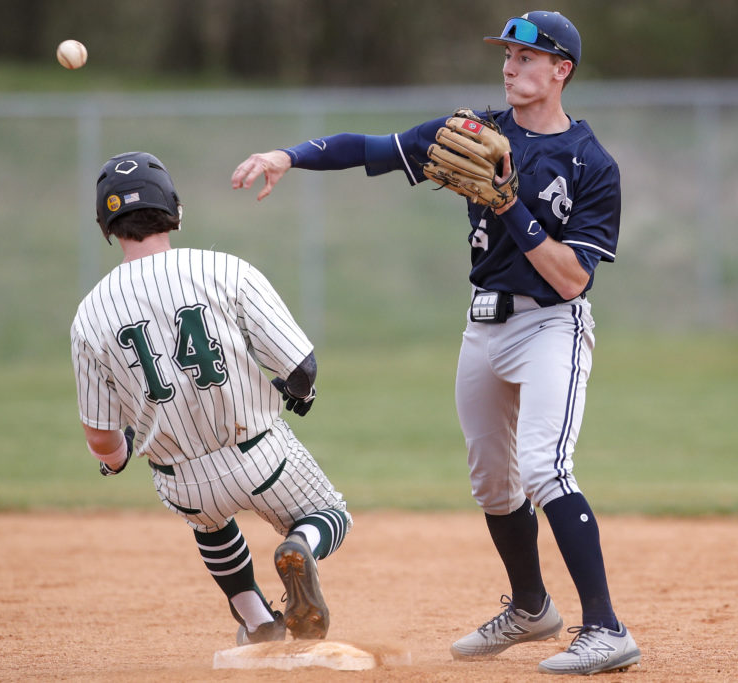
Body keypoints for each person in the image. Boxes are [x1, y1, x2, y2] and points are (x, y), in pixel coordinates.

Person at [230, 10, 641, 676]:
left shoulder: (591, 164)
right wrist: (289, 156)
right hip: (482, 325)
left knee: (544, 467)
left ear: (562, 70)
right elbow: (371, 148)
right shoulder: (471, 133)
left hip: (549, 326)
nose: (511, 67)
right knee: (491, 481)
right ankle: (532, 607)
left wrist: (510, 205)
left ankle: (607, 627)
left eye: (528, 59)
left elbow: (571, 279)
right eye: (507, 56)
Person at [71, 150, 351, 646]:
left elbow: (101, 435)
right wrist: (297, 392)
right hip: (260, 456)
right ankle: (299, 545)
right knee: (328, 515)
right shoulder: (225, 270)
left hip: (183, 480)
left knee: (211, 527)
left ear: (106, 225)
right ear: (175, 211)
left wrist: (114, 462)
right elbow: (300, 366)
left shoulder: (90, 314)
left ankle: (257, 621)